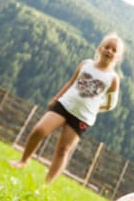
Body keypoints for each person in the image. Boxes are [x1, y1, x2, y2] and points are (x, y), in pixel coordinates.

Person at [10, 33, 124, 184]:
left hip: (82, 117)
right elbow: (71, 82)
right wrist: (56, 98)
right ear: (99, 49)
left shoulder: (113, 78)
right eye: (107, 47)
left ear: (118, 57)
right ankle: (23, 161)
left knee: (63, 150)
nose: (109, 51)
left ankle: (47, 184)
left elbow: (111, 104)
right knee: (39, 130)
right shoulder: (86, 64)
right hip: (64, 105)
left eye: (114, 50)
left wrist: (96, 108)